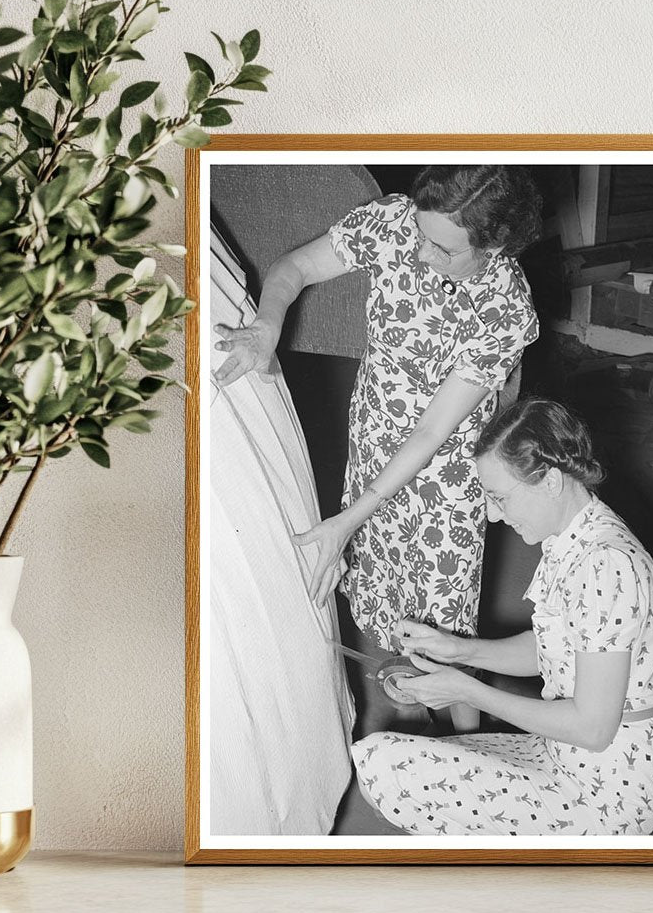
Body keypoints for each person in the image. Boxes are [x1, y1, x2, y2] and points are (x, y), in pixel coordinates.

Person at [215, 167, 541, 654]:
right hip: (372, 442)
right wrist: (267, 324)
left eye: (445, 250)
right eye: (420, 233)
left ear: (494, 247)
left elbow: (432, 430)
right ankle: (407, 713)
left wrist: (350, 518)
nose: (420, 253)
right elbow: (296, 267)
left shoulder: (505, 310)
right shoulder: (393, 222)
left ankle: (462, 727)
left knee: (444, 640)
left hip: (440, 480)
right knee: (382, 604)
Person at [351, 398, 653, 836]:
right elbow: (554, 649)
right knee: (397, 760)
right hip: (566, 757)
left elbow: (594, 728)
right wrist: (460, 649)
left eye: (499, 497)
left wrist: (468, 691)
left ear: (551, 481)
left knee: (384, 765)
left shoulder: (606, 564)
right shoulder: (576, 536)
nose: (491, 514)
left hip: (607, 796)